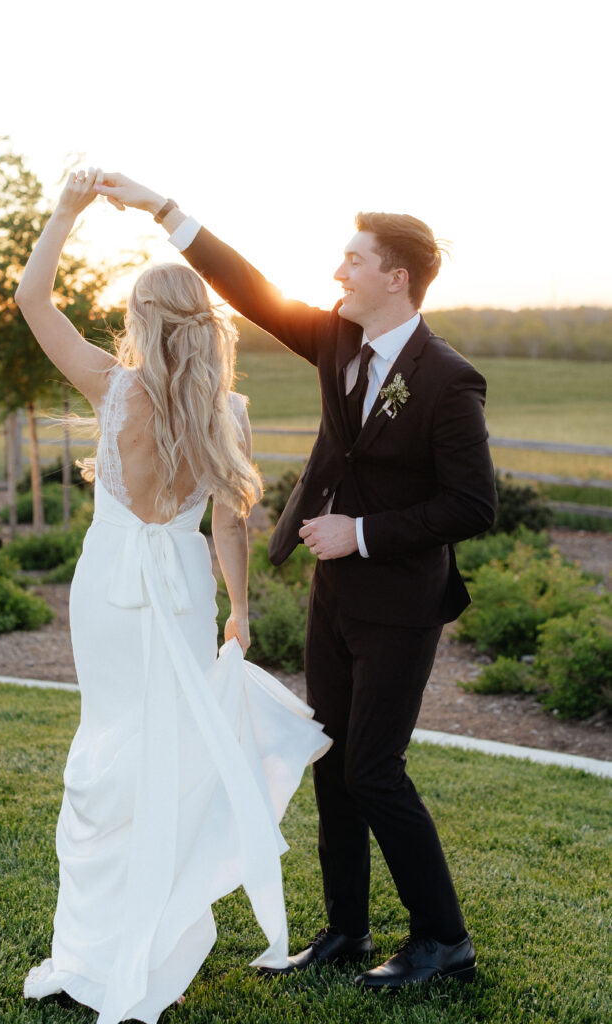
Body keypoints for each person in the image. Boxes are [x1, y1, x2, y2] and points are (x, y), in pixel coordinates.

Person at [93, 172, 498, 992]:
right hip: (334, 597)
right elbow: (248, 290)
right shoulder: (340, 342)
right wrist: (164, 210)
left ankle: (443, 940)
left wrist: (364, 533)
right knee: (330, 761)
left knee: (373, 770)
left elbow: (472, 503)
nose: (337, 273)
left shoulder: (448, 379)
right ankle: (345, 927)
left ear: (397, 277)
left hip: (399, 605)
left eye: (353, 260)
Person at [15, 168, 331, 1024]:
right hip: (185, 586)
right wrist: (238, 607)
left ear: (136, 322)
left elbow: (31, 298)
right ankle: (159, 930)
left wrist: (68, 209)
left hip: (111, 584)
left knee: (109, 750)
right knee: (170, 751)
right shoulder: (227, 410)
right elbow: (228, 527)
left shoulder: (109, 387)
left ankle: (105, 938)